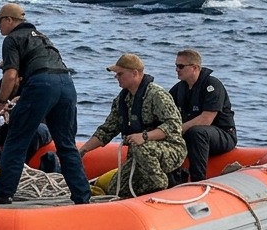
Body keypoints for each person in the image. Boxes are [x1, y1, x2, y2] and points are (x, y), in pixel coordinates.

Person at [0, 3, 92, 205]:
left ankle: (3, 194)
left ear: (10, 20)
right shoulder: (42, 37)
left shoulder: (12, 39)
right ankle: (82, 196)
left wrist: (0, 103)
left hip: (41, 84)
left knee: (16, 140)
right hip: (67, 84)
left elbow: (10, 76)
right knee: (66, 144)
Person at [78, 53, 187, 198]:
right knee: (115, 188)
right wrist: (84, 149)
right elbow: (107, 130)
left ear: (135, 73)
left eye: (120, 74)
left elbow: (174, 125)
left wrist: (145, 136)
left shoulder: (157, 95)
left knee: (141, 147)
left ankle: (160, 185)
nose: (116, 77)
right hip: (138, 155)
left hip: (170, 148)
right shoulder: (122, 100)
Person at [168, 49, 237, 183]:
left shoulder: (212, 85)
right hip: (192, 135)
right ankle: (173, 180)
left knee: (197, 132)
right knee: (168, 133)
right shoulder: (179, 89)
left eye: (181, 66)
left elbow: (206, 119)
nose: (177, 69)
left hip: (223, 134)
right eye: (176, 66)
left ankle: (198, 180)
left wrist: (176, 129)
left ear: (195, 68)